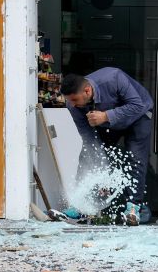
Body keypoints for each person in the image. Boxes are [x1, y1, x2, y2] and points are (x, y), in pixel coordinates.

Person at [60, 68, 151, 225]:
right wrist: (102, 174)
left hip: (138, 115)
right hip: (106, 122)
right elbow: (89, 138)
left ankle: (133, 207)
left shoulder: (113, 78)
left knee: (135, 157)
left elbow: (136, 105)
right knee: (88, 154)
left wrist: (106, 116)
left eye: (74, 100)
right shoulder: (72, 105)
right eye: (69, 101)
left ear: (87, 91)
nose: (72, 105)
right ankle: (82, 206)